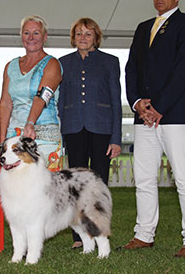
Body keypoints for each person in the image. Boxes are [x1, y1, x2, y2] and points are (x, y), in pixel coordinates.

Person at [122, 0, 185, 257]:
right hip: (143, 117)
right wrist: (137, 103)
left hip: (175, 116)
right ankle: (143, 234)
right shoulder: (142, 27)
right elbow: (131, 69)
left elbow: (181, 72)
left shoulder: (184, 25)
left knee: (183, 179)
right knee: (144, 178)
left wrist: (157, 106)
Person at [58, 17, 122, 249]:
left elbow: (116, 101)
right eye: (79, 34)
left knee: (99, 185)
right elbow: (60, 101)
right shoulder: (63, 63)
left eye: (88, 33)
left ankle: (99, 234)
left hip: (102, 129)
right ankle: (80, 237)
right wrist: (61, 134)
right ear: (73, 37)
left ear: (96, 37)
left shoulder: (110, 62)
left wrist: (116, 138)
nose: (83, 38)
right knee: (76, 185)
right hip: (73, 128)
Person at [0, 15, 63, 170]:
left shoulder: (52, 64)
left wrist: (30, 123)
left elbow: (41, 97)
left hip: (44, 136)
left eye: (36, 33)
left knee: (46, 190)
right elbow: (5, 104)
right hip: (14, 136)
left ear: (45, 37)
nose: (31, 37)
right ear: (21, 36)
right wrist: (2, 140)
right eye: (26, 33)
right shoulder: (10, 66)